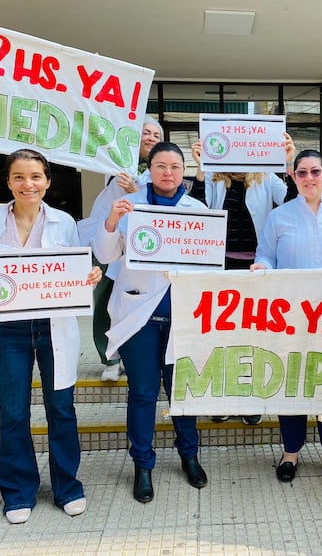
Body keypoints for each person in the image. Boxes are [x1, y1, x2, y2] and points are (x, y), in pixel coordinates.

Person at [0, 149, 103, 524]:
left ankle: (67, 487)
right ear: (8, 181)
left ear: (48, 181)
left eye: (36, 176)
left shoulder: (63, 222)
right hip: (8, 331)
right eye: (20, 177)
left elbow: (75, 269)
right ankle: (18, 490)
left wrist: (88, 276)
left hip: (53, 327)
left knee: (61, 409)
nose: (29, 184)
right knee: (13, 412)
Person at [92, 142, 208, 503]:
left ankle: (189, 455)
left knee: (181, 393)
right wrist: (111, 221)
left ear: (183, 170)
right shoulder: (129, 205)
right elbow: (105, 254)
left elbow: (208, 263)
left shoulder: (198, 210)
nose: (168, 173)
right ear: (150, 169)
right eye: (161, 166)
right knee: (142, 392)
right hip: (138, 314)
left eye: (175, 166)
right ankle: (143, 464)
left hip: (181, 316)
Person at [251, 148, 322, 488]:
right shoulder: (278, 217)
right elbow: (266, 255)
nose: (309, 178)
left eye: (315, 172)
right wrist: (262, 267)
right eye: (301, 173)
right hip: (290, 317)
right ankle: (290, 453)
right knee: (293, 382)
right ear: (292, 177)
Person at [190, 133, 295, 425]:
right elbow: (195, 212)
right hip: (219, 268)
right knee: (220, 336)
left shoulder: (266, 177)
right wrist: (200, 168)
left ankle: (250, 400)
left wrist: (286, 163)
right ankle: (222, 398)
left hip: (256, 269)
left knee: (253, 335)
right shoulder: (211, 177)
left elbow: (291, 204)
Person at [79, 116, 164, 381]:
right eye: (146, 133)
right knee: (104, 299)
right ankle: (110, 359)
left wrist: (137, 189)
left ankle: (134, 356)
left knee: (139, 303)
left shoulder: (160, 172)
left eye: (156, 135)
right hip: (109, 242)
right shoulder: (114, 164)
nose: (151, 138)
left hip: (143, 248)